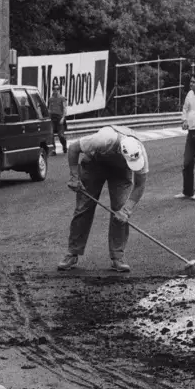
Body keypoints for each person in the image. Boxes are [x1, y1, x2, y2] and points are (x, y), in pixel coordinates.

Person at [57, 125, 149, 273]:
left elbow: (140, 185)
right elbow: (74, 148)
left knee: (120, 209)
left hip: (120, 172)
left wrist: (127, 210)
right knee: (83, 207)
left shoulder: (139, 153)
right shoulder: (103, 140)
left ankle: (117, 256)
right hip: (95, 163)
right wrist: (74, 177)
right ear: (120, 150)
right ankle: (72, 253)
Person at [48, 81, 68, 154]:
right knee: (51, 134)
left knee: (61, 135)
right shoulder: (50, 99)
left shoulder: (62, 98)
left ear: (59, 90)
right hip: (52, 118)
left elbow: (65, 109)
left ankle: (64, 145)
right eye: (54, 89)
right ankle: (53, 150)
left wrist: (63, 118)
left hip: (60, 118)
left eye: (57, 89)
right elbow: (49, 109)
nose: (55, 90)